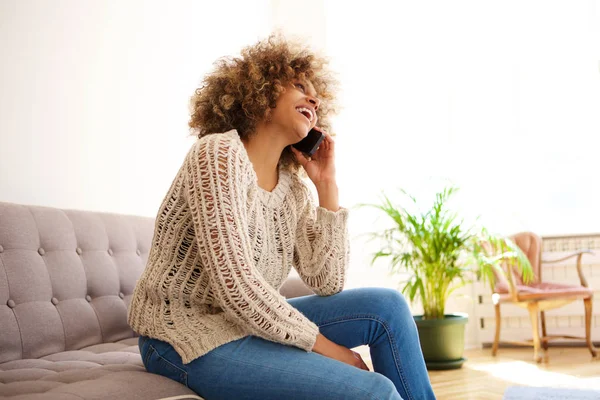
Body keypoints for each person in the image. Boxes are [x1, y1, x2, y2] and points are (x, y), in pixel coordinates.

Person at [127, 34, 436, 400]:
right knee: (374, 391)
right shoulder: (217, 156)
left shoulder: (290, 188)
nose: (314, 98)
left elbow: (326, 280)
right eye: (298, 86)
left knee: (388, 308)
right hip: (182, 337)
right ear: (260, 91)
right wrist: (328, 348)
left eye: (315, 92)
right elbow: (237, 285)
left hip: (241, 325)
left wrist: (326, 187)